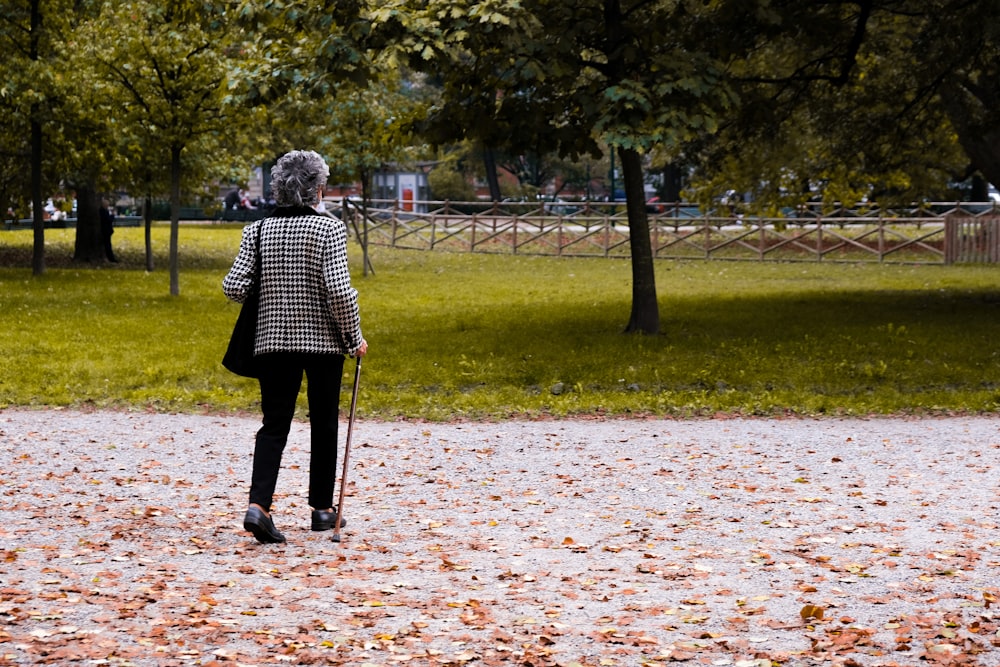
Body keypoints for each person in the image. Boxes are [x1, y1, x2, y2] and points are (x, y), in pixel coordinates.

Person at [223, 150, 368, 544]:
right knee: (324, 423)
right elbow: (339, 291)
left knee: (274, 425)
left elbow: (234, 287)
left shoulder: (257, 231)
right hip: (323, 343)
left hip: (272, 340)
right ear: (318, 188)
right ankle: (322, 510)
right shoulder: (329, 229)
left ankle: (259, 506)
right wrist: (355, 337)